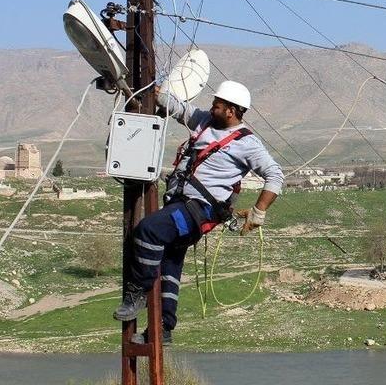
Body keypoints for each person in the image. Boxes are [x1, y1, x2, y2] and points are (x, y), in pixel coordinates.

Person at [113, 80, 284, 344]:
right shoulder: (205, 121)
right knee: (169, 263)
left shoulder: (247, 143)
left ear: (232, 111)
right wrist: (156, 94)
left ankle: (137, 294)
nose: (211, 107)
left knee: (148, 231)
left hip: (198, 211)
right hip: (179, 203)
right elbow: (182, 110)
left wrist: (258, 212)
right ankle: (162, 330)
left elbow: (274, 175)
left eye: (217, 104)